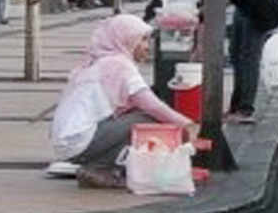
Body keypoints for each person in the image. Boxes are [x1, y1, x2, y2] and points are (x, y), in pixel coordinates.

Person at [50, 13, 198, 188]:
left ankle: (102, 166)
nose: (147, 47)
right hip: (78, 142)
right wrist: (187, 126)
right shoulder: (118, 65)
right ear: (125, 40)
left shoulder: (100, 63)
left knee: (136, 117)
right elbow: (152, 106)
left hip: (68, 142)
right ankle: (101, 167)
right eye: (141, 40)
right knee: (148, 119)